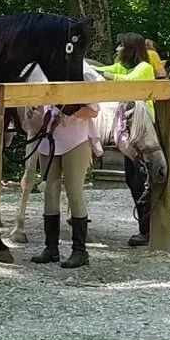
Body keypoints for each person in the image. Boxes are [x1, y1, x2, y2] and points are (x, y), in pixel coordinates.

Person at [30, 96, 101, 270]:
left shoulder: (83, 74)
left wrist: (69, 111)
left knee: (74, 191)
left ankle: (79, 250)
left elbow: (93, 111)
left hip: (75, 139)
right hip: (49, 137)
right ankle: (51, 248)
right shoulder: (43, 78)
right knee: (50, 191)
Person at [101, 32, 158, 247]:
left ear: (130, 49)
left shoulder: (144, 68)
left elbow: (129, 82)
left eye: (121, 46)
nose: (117, 50)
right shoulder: (123, 67)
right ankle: (145, 228)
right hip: (129, 131)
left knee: (141, 179)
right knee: (131, 178)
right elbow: (104, 70)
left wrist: (109, 77)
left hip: (142, 131)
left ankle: (148, 229)